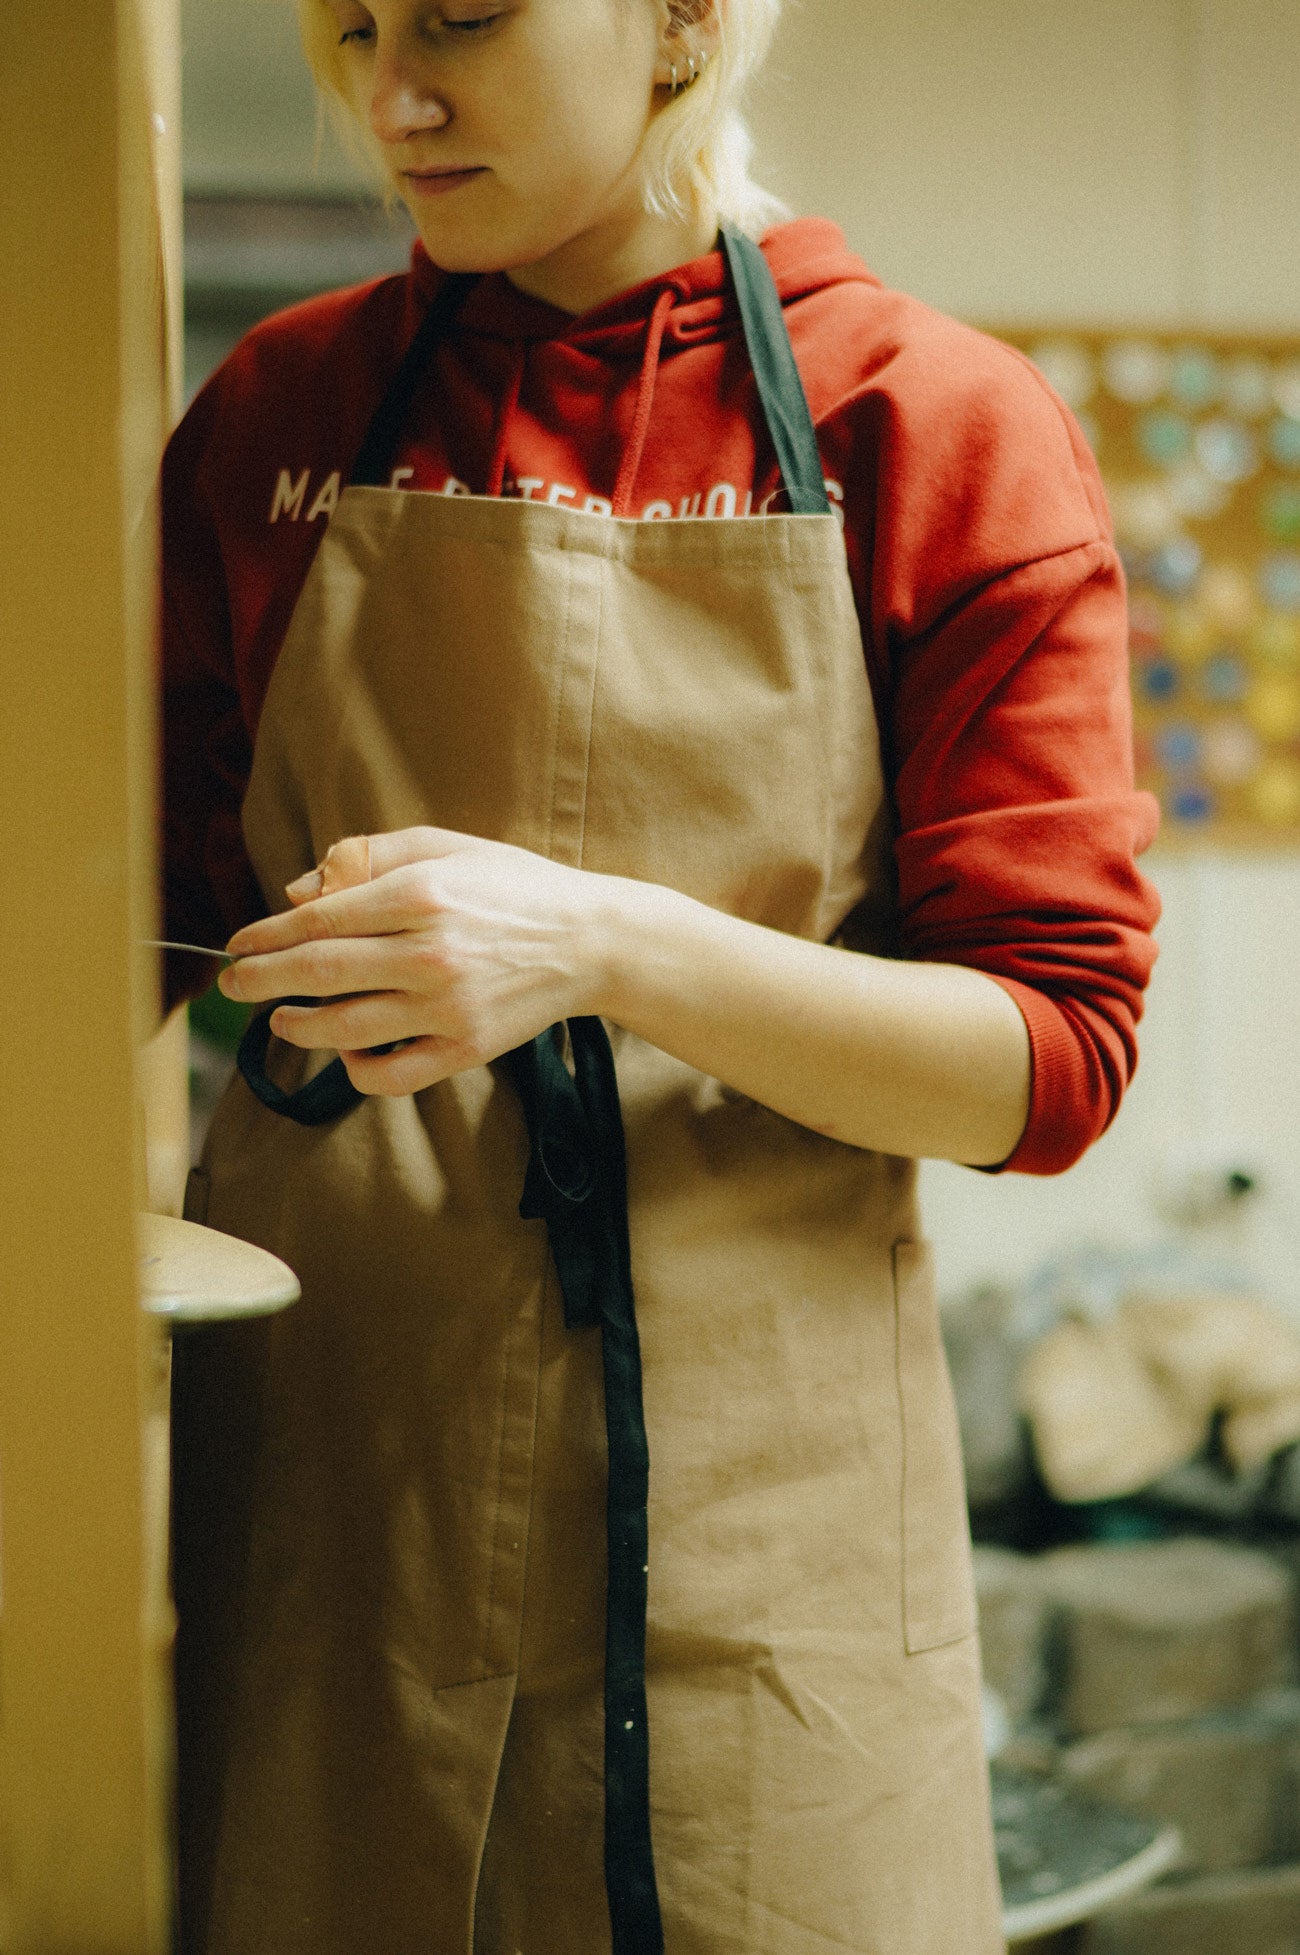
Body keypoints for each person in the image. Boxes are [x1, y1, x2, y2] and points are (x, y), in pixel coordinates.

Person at [161, 1, 1160, 1950]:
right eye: (352, 25)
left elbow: (1046, 1060)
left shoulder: (928, 424)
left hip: (757, 1540)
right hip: (338, 1501)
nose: (394, 97)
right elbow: (99, 924)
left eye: (464, 15)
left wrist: (602, 943)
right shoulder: (284, 412)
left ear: (689, 16)